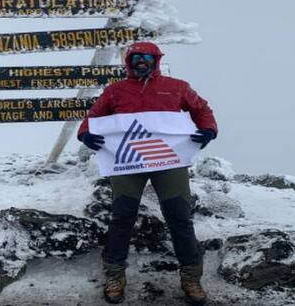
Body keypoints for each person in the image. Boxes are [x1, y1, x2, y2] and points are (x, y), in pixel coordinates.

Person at [77, 41, 218, 305]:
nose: (142, 61)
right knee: (122, 216)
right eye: (136, 57)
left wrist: (208, 128)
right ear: (129, 62)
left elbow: (202, 108)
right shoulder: (115, 90)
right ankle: (115, 276)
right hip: (127, 162)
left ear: (156, 60)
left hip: (168, 160)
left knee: (179, 217)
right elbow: (94, 115)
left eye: (148, 57)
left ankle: (191, 277)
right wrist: (85, 132)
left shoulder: (177, 87)